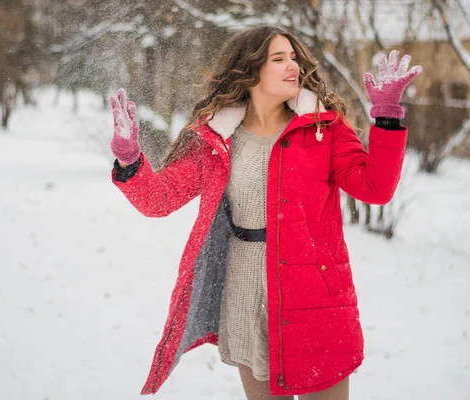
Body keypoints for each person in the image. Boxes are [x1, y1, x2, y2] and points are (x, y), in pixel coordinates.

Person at [109, 25, 422, 400]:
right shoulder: (218, 137)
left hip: (313, 296)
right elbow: (159, 199)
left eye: (293, 57)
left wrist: (386, 119)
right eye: (279, 59)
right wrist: (130, 161)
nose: (292, 65)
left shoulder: (323, 128)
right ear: (251, 69)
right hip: (244, 290)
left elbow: (375, 188)